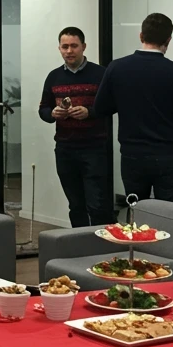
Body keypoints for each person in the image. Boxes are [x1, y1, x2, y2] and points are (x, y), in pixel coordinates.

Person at [96, 13, 173, 203]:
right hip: (168, 154)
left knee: (137, 213)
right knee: (170, 216)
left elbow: (100, 108)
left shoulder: (116, 67)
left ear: (141, 36)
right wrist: (169, 107)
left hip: (133, 154)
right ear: (168, 39)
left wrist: (126, 102)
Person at [38, 27, 112, 226]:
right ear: (59, 49)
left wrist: (90, 112)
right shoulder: (53, 77)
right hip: (65, 149)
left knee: (97, 204)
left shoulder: (100, 73)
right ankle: (79, 248)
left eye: (74, 46)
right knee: (75, 205)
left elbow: (112, 105)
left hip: (94, 148)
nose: (69, 51)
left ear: (83, 47)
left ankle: (102, 250)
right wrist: (52, 113)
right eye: (65, 46)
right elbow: (43, 110)